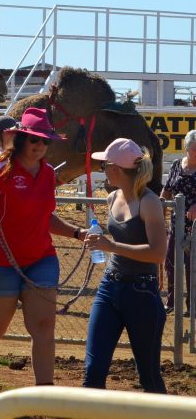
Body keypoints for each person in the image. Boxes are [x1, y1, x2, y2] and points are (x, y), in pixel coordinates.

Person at [0, 107, 84, 411]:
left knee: (44, 325)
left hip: (40, 258)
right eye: (34, 140)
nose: (39, 146)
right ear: (21, 139)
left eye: (45, 141)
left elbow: (45, 218)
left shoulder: (48, 174)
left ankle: (45, 398)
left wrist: (77, 233)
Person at [82, 138, 166, 393]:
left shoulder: (149, 202)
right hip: (111, 286)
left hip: (141, 291)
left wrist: (111, 247)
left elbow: (158, 253)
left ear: (116, 169)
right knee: (93, 371)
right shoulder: (112, 197)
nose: (102, 169)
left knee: (149, 376)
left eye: (104, 165)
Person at [160, 129, 196, 316]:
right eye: (193, 149)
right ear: (186, 148)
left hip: (195, 228)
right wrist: (160, 210)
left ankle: (192, 305)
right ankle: (172, 301)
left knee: (192, 266)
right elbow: (166, 190)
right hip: (176, 224)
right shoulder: (176, 165)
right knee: (170, 262)